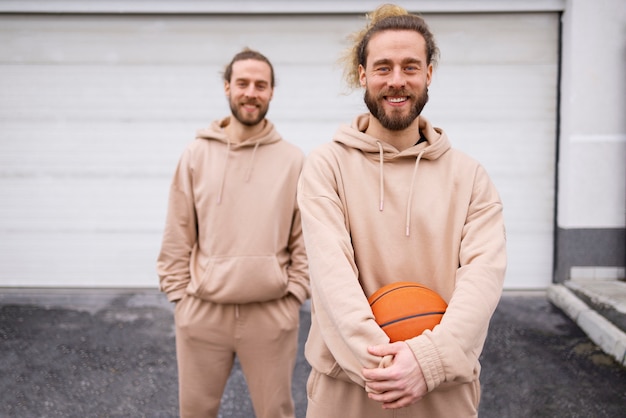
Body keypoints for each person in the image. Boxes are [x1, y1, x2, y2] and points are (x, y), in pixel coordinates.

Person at [297, 4, 507, 418]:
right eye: (383, 68)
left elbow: (482, 280)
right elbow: (330, 277)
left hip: (442, 393)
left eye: (410, 67)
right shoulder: (326, 166)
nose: (397, 81)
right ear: (362, 75)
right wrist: (388, 370)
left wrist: (428, 363)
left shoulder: (470, 176)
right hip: (349, 391)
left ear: (429, 74)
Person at [156, 48, 309, 418]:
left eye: (261, 85)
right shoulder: (196, 155)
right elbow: (178, 231)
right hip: (203, 313)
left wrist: (293, 296)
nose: (251, 92)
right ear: (228, 87)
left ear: (272, 92)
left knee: (276, 412)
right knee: (195, 412)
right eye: (242, 83)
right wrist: (181, 298)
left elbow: (304, 240)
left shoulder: (293, 160)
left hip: (270, 314)